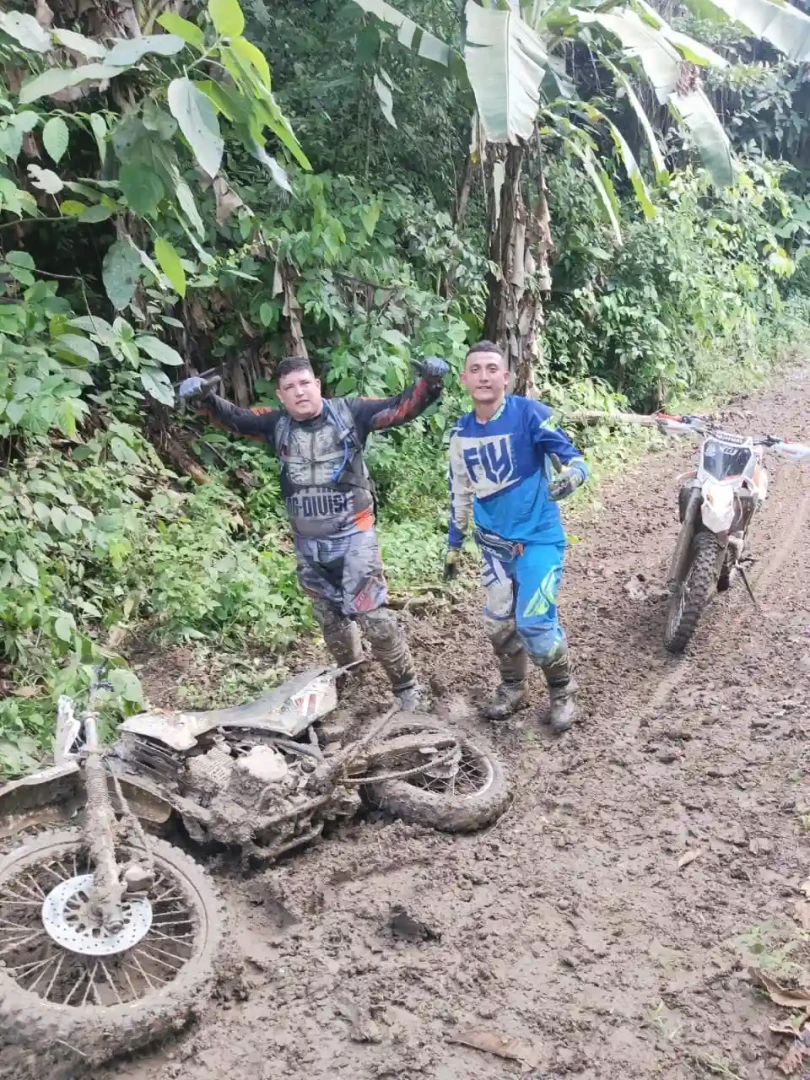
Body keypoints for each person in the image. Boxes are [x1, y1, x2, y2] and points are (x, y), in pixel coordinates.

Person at [178, 355, 449, 709]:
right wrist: (203, 399)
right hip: (308, 542)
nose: (299, 392)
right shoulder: (274, 424)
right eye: (290, 388)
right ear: (280, 395)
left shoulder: (351, 412)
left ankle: (406, 689)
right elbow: (234, 418)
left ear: (317, 385)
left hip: (355, 534)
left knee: (373, 617)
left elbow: (399, 409)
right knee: (329, 617)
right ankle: (351, 674)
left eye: (305, 384)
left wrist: (429, 383)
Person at [443, 341, 588, 733]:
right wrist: (453, 546)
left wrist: (573, 475)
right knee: (498, 625)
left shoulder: (531, 415)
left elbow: (572, 455)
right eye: (476, 369)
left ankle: (562, 692)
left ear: (506, 377)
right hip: (492, 545)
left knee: (536, 622)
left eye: (492, 369)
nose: (484, 376)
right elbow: (460, 492)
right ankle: (513, 687)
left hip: (539, 539)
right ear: (465, 379)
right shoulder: (460, 433)